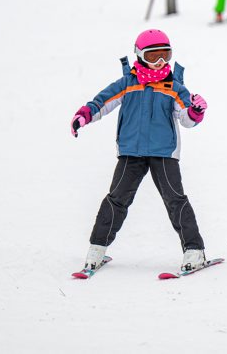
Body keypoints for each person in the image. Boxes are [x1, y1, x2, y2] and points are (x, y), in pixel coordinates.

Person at [70, 29, 211, 274]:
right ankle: (96, 249)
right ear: (140, 55)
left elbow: (187, 118)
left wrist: (195, 111)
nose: (160, 62)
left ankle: (194, 251)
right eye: (153, 55)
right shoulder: (127, 83)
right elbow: (102, 102)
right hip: (130, 152)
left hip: (164, 152)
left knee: (175, 200)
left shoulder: (174, 86)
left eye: (165, 55)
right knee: (116, 199)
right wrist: (84, 116)